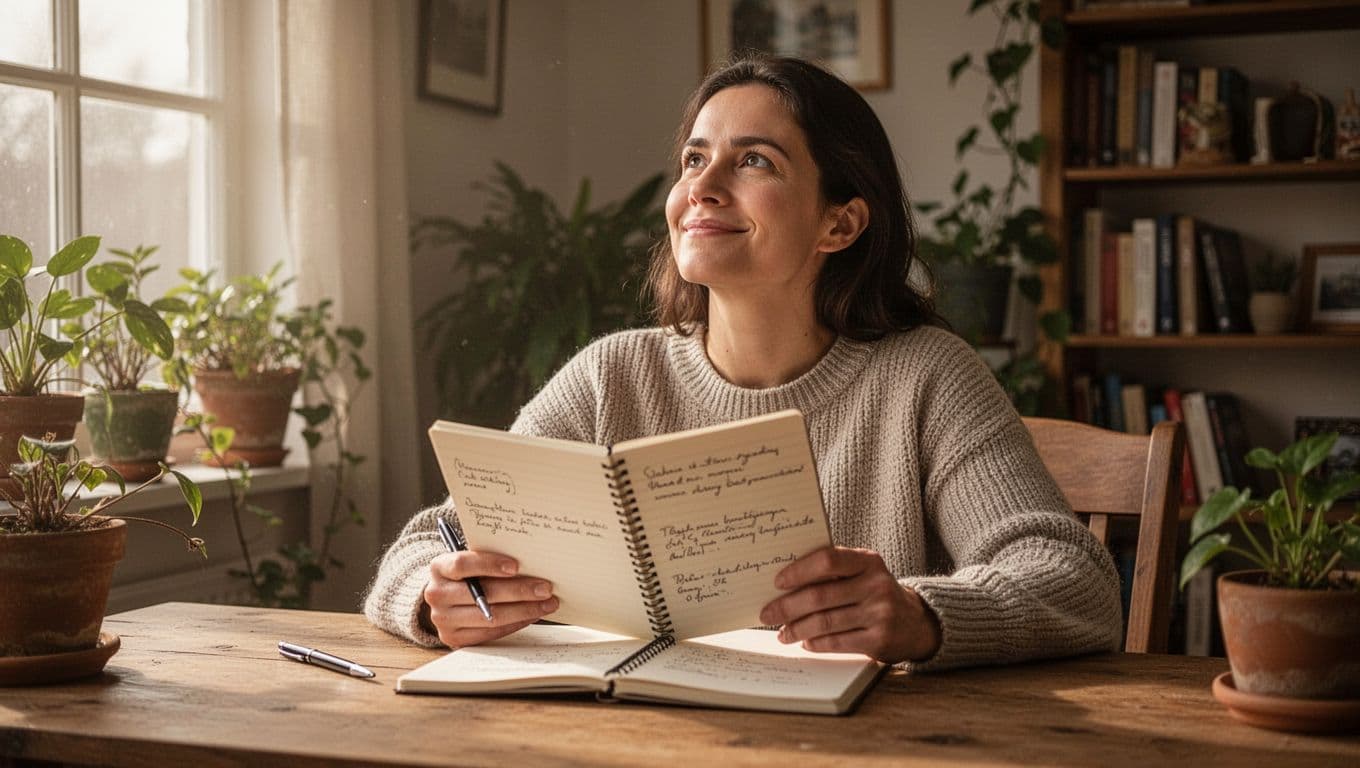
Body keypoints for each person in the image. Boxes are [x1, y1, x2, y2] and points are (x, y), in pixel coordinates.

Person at [364, 55, 1122, 669]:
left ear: (841, 221)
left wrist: (922, 616)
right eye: (695, 158)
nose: (702, 186)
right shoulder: (610, 375)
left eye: (752, 160)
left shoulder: (927, 376)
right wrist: (435, 602)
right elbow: (428, 544)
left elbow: (1076, 580)